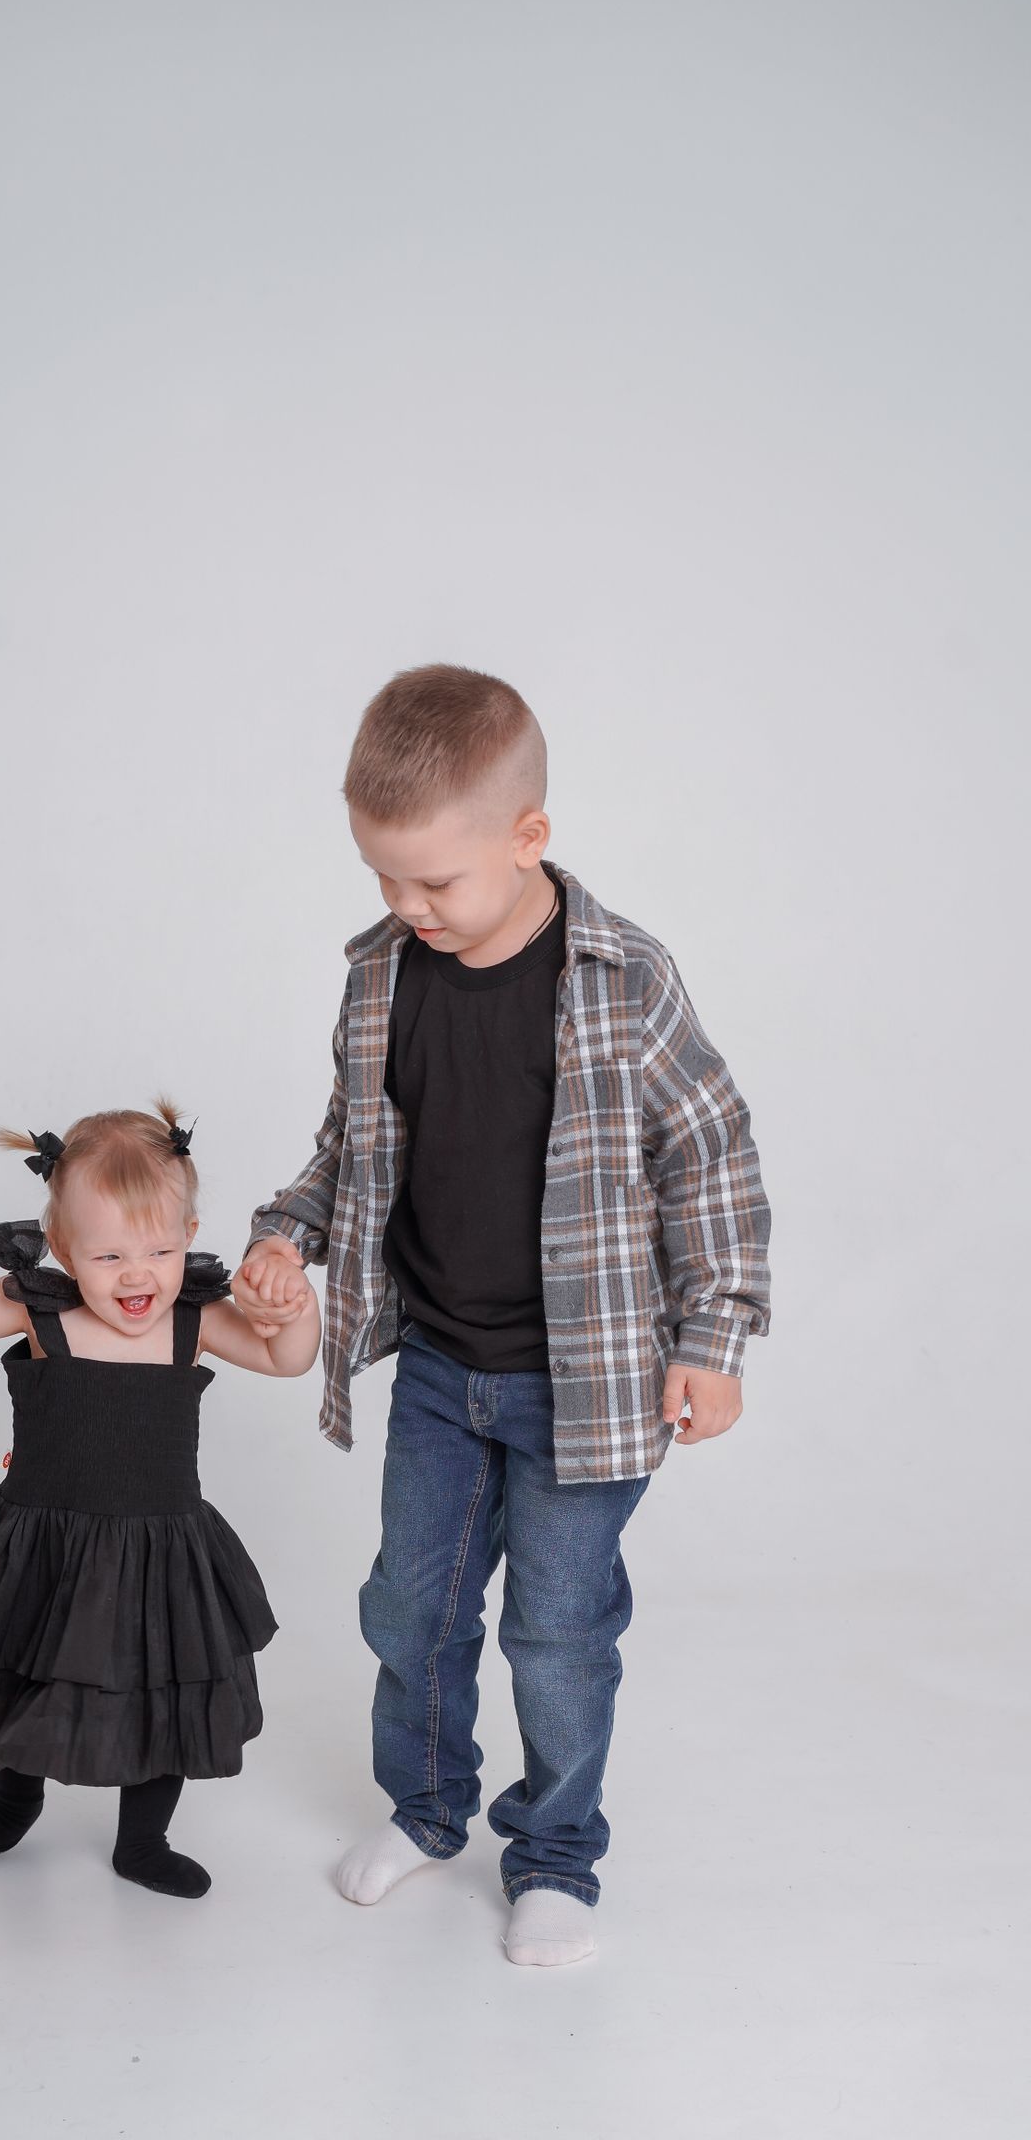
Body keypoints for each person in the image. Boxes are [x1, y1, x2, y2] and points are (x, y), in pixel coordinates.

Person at [233, 665, 771, 1965]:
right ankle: (425, 1811)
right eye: (383, 878)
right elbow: (351, 1144)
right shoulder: (383, 975)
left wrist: (714, 1338)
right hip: (438, 1365)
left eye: (435, 882)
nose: (407, 907)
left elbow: (712, 1157)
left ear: (529, 836)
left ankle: (555, 1857)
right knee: (410, 1610)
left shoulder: (623, 978)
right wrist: (287, 1230)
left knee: (556, 1632)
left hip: (585, 1384)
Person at [0, 1098, 320, 1898]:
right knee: (22, 1672)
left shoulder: (193, 1320)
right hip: (40, 1545)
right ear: (62, 1246)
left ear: (189, 1235)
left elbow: (286, 1360)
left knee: (160, 1689)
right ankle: (13, 1799)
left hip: (160, 1549)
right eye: (109, 1255)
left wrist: (295, 1305)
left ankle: (143, 1840)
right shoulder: (41, 1309)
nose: (136, 1274)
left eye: (159, 1250)